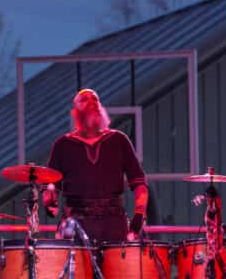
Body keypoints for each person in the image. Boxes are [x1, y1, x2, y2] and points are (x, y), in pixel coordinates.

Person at [42, 89, 148, 245]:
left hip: (114, 226)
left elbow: (139, 183)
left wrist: (139, 214)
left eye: (95, 99)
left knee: (115, 270)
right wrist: (49, 201)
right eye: (84, 99)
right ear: (75, 112)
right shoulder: (63, 145)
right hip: (75, 226)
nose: (91, 102)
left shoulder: (119, 140)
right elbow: (50, 187)